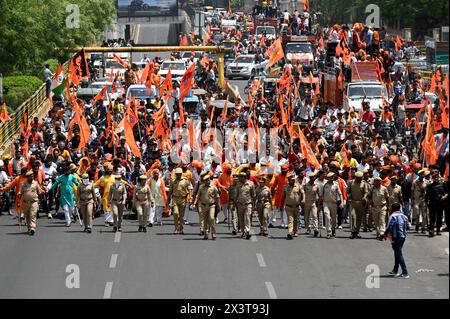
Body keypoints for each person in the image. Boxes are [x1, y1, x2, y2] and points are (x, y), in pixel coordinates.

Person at [384, 202, 410, 278]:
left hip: (396, 237)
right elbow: (408, 226)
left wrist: (385, 235)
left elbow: (389, 227)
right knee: (397, 252)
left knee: (399, 253)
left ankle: (405, 272)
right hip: (403, 237)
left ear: (392, 208)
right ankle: (395, 269)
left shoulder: (392, 216)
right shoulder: (404, 216)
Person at [194, 174, 220, 240]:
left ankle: (213, 233)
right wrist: (194, 203)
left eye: (208, 180)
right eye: (205, 180)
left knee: (211, 218)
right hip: (203, 205)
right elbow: (198, 196)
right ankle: (205, 233)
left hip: (212, 205)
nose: (207, 182)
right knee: (205, 220)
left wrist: (218, 205)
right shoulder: (201, 187)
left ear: (209, 180)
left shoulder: (213, 187)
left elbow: (217, 197)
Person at [425, 171, 448, 237]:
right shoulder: (429, 186)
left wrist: (444, 197)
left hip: (440, 203)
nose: (436, 178)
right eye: (434, 177)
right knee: (432, 217)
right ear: (432, 178)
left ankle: (438, 230)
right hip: (432, 203)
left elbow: (447, 192)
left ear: (438, 177)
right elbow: (427, 196)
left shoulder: (443, 184)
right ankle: (432, 230)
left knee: (439, 217)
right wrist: (426, 203)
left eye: (436, 177)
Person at [169, 167, 191, 234]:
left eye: (179, 174)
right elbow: (170, 191)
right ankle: (176, 228)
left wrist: (189, 198)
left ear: (181, 174)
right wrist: (168, 200)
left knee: (181, 216)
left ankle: (181, 228)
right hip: (175, 199)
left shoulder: (185, 180)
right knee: (175, 213)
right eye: (177, 174)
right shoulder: (173, 181)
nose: (178, 175)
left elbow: (189, 189)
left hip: (183, 199)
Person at [282, 173, 304, 240]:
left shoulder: (298, 186)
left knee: (296, 220)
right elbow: (283, 197)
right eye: (292, 180)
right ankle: (290, 233)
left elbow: (302, 193)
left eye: (294, 180)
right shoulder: (285, 187)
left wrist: (303, 200)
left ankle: (295, 231)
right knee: (290, 220)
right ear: (288, 180)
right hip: (288, 206)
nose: (293, 181)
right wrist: (281, 205)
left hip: (296, 206)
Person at [321, 172, 343, 239]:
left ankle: (333, 229)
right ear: (328, 178)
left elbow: (340, 194)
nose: (332, 178)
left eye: (333, 177)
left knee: (334, 219)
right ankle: (329, 232)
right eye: (330, 177)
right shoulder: (325, 185)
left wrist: (341, 202)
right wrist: (320, 204)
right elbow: (321, 195)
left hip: (333, 203)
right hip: (326, 203)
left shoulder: (336, 185)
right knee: (327, 216)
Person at [348, 171, 369, 239]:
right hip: (353, 202)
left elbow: (366, 192)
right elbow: (348, 191)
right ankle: (353, 231)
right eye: (358, 178)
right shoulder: (351, 182)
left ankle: (357, 232)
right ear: (356, 177)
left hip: (360, 203)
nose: (359, 179)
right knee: (353, 217)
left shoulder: (364, 183)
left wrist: (365, 197)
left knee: (359, 218)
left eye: (360, 178)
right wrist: (349, 198)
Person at [235, 172, 256, 240]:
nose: (239, 178)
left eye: (240, 177)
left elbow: (253, 195)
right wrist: (233, 205)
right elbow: (236, 195)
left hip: (248, 204)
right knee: (241, 219)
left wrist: (254, 205)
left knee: (247, 217)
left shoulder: (251, 184)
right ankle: (243, 231)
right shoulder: (238, 184)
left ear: (244, 177)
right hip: (240, 204)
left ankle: (247, 231)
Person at [302, 171, 320, 236]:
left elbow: (319, 195)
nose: (313, 178)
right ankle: (308, 228)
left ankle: (316, 229)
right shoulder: (305, 185)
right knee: (307, 216)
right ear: (310, 178)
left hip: (313, 203)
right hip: (307, 203)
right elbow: (302, 193)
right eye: (311, 177)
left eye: (314, 177)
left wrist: (320, 203)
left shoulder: (316, 186)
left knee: (315, 216)